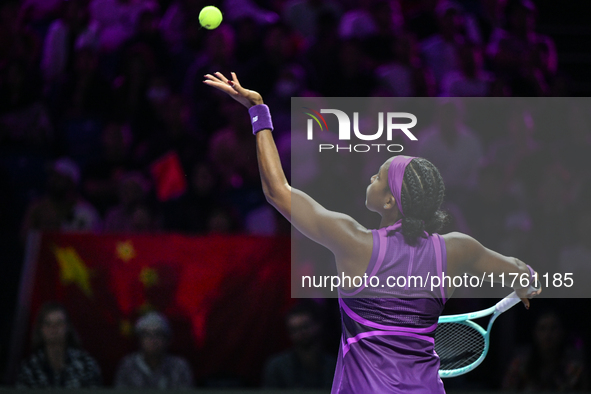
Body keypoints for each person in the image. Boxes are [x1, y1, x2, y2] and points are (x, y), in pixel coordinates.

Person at [203, 72, 541, 393]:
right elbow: (518, 271)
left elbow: (277, 191)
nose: (371, 179)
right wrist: (524, 275)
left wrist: (259, 111)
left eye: (378, 177)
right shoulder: (457, 249)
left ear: (391, 200)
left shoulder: (354, 242)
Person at [16, 302, 102, 388]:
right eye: (48, 324)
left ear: (68, 327)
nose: (53, 329)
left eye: (59, 323)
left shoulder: (86, 365)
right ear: (40, 329)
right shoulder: (29, 367)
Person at [263, 301, 336, 389]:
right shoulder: (277, 366)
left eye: (305, 327)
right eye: (294, 330)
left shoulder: (334, 366)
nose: (301, 333)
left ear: (318, 325)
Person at [114, 311, 193, 389]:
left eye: (158, 334)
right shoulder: (127, 366)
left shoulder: (179, 367)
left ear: (167, 339)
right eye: (147, 335)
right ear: (139, 339)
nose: (153, 340)